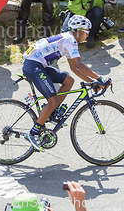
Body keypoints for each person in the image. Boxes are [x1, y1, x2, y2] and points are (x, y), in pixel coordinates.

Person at [24, 14, 111, 151]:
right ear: (80, 31)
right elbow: (80, 65)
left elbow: (74, 68)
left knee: (68, 80)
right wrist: (100, 78)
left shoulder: (68, 39)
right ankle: (33, 133)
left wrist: (92, 81)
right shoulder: (70, 40)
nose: (87, 36)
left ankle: (53, 112)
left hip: (37, 64)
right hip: (33, 65)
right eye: (87, 33)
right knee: (52, 101)